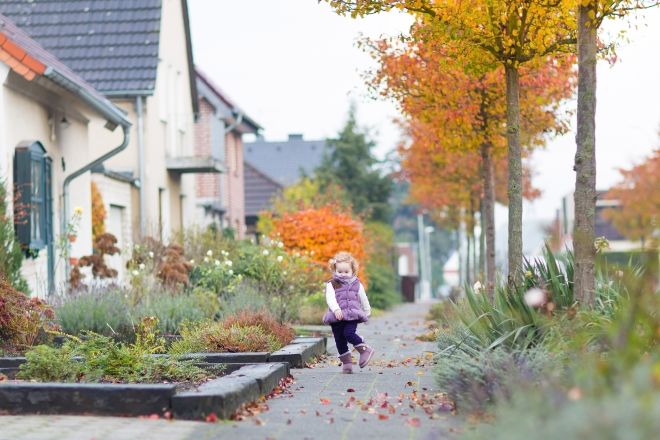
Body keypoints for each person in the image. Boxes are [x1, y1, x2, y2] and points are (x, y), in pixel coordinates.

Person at [322, 251, 375, 373]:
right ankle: (347, 364)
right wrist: (336, 309)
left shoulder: (357, 284)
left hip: (352, 315)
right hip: (337, 317)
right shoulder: (332, 284)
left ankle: (365, 350)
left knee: (348, 333)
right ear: (335, 270)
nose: (343, 274)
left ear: (353, 271)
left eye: (346, 272)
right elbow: (330, 298)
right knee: (339, 340)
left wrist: (367, 310)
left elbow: (363, 297)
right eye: (340, 272)